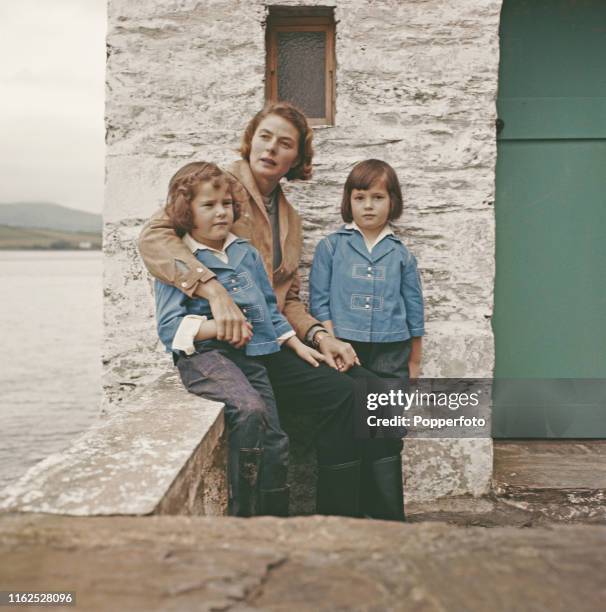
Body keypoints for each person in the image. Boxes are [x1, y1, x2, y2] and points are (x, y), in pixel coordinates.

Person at [138, 102, 399, 518]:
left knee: (376, 393)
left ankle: (379, 516)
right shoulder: (219, 188)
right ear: (250, 140)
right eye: (265, 136)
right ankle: (336, 520)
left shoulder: (289, 218)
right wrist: (213, 292)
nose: (272, 148)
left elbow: (286, 296)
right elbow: (153, 238)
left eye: (285, 143)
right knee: (346, 396)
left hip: (275, 338)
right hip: (240, 345)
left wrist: (319, 336)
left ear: (297, 157)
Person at [155, 161, 325, 517]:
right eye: (208, 205)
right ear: (187, 212)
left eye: (226, 204)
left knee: (277, 439)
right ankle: (242, 512)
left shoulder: (245, 252)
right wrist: (218, 327)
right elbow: (172, 329)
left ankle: (273, 520)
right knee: (249, 409)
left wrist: (296, 343)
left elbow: (267, 307)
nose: (221, 212)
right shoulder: (182, 261)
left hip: (252, 356)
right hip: (204, 357)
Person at [309, 159, 425, 520]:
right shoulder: (331, 247)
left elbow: (414, 308)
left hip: (392, 351)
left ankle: (387, 516)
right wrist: (330, 340)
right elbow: (319, 300)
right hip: (348, 350)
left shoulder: (401, 254)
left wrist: (415, 360)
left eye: (378, 197)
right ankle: (351, 513)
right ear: (349, 201)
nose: (369, 206)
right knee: (350, 428)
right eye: (360, 197)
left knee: (387, 428)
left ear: (393, 201)